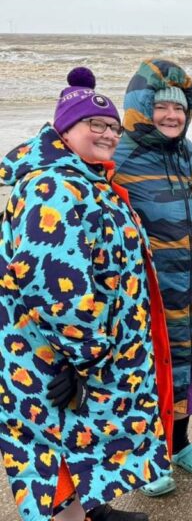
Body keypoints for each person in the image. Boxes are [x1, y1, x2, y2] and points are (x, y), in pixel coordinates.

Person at [0, 68, 174, 521]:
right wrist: (86, 359)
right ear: (65, 129)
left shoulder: (88, 179)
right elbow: (52, 285)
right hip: (53, 356)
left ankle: (92, 506)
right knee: (54, 448)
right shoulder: (52, 187)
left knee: (82, 434)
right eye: (95, 125)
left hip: (78, 351)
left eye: (114, 126)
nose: (109, 134)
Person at [112, 59, 192, 496]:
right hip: (151, 293)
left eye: (180, 108)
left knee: (190, 372)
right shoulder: (120, 156)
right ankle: (146, 457)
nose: (172, 116)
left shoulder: (190, 151)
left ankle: (180, 444)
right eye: (162, 107)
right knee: (148, 373)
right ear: (142, 108)